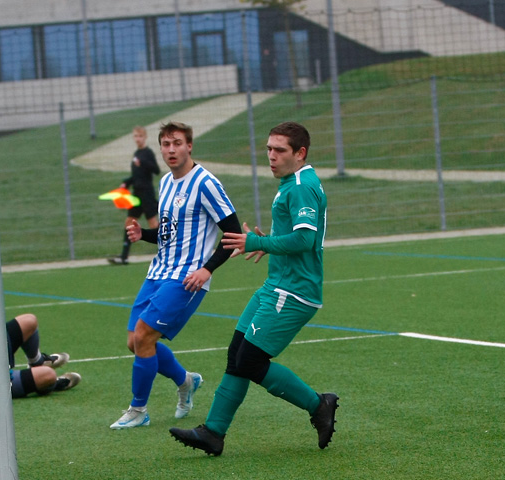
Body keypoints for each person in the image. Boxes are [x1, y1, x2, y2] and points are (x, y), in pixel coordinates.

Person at [169, 122, 338, 456]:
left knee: (250, 360)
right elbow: (295, 234)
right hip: (277, 284)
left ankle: (318, 404)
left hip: (294, 291)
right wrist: (268, 243)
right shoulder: (292, 182)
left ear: (300, 153)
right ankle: (213, 433)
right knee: (237, 353)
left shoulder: (302, 185)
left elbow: (305, 239)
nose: (271, 157)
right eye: (268, 149)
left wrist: (258, 240)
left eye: (280, 151)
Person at [110, 121, 242, 429]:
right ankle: (185, 380)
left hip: (186, 278)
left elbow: (233, 232)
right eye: (166, 144)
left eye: (177, 143)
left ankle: (138, 411)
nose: (171, 149)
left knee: (143, 335)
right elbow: (167, 234)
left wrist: (206, 270)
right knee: (135, 341)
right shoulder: (168, 183)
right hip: (158, 271)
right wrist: (142, 233)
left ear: (189, 146)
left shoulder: (205, 183)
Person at [108, 126, 160, 265]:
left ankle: (167, 252)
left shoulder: (147, 153)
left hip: (147, 194)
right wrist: (126, 182)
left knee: (154, 224)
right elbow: (137, 176)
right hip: (136, 195)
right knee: (129, 223)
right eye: (135, 136)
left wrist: (142, 163)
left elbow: (156, 170)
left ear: (145, 137)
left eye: (140, 136)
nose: (137, 139)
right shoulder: (136, 153)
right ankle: (124, 257)